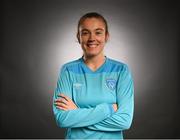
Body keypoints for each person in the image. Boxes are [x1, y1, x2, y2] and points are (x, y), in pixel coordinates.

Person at [53, 12, 134, 139]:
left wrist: (76, 113)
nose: (92, 38)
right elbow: (62, 119)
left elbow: (124, 121)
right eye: (85, 33)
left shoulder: (121, 70)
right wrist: (107, 109)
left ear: (106, 36)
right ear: (78, 37)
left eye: (98, 32)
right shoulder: (67, 71)